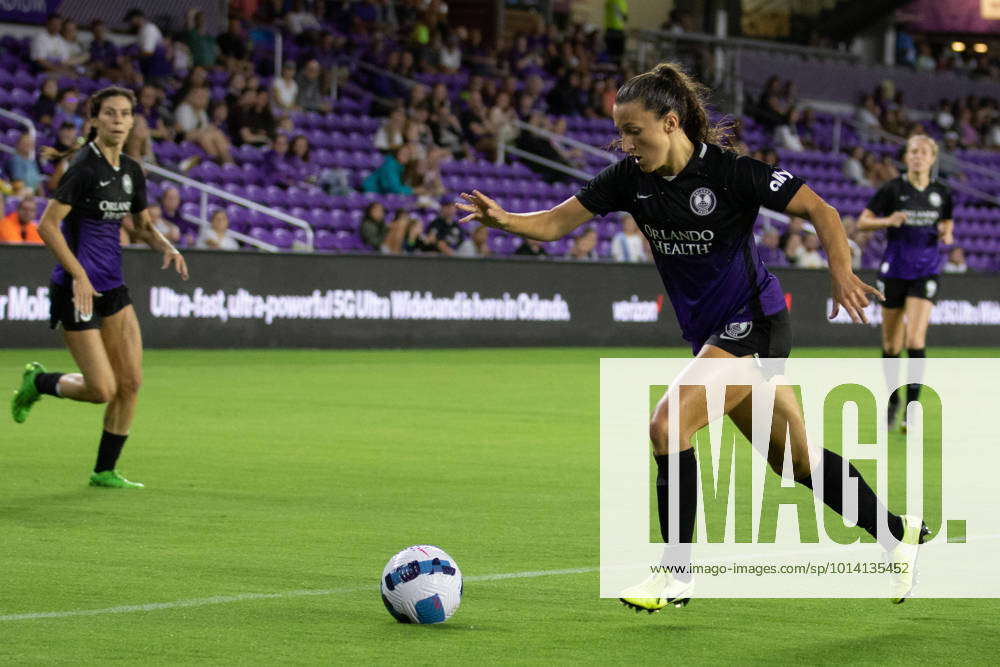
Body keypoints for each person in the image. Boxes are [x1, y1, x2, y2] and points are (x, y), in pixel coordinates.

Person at [457, 62, 927, 611]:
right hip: (715, 334)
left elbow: (819, 209)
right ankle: (901, 533)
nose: (625, 143)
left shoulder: (730, 173)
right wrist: (505, 219)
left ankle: (676, 573)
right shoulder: (629, 180)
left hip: (755, 322)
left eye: (635, 131)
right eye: (620, 132)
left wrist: (841, 272)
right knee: (795, 464)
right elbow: (557, 223)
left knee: (667, 423)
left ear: (671, 123)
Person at [10, 86, 189, 489]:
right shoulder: (83, 168)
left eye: (125, 114)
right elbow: (47, 226)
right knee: (101, 389)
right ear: (94, 120)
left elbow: (141, 226)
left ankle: (104, 471)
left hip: (112, 286)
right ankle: (38, 382)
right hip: (76, 289)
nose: (119, 120)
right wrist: (79, 275)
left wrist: (166, 244)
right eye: (110, 114)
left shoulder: (130, 170)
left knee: (131, 383)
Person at [858, 134, 954, 433]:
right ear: (906, 157)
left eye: (924, 152)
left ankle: (911, 410)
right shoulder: (892, 189)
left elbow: (948, 221)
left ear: (932, 157)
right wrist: (888, 221)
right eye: (913, 151)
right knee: (891, 344)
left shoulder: (942, 192)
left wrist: (946, 233)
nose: (918, 156)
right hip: (894, 270)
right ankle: (893, 401)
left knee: (915, 340)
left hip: (926, 271)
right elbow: (863, 221)